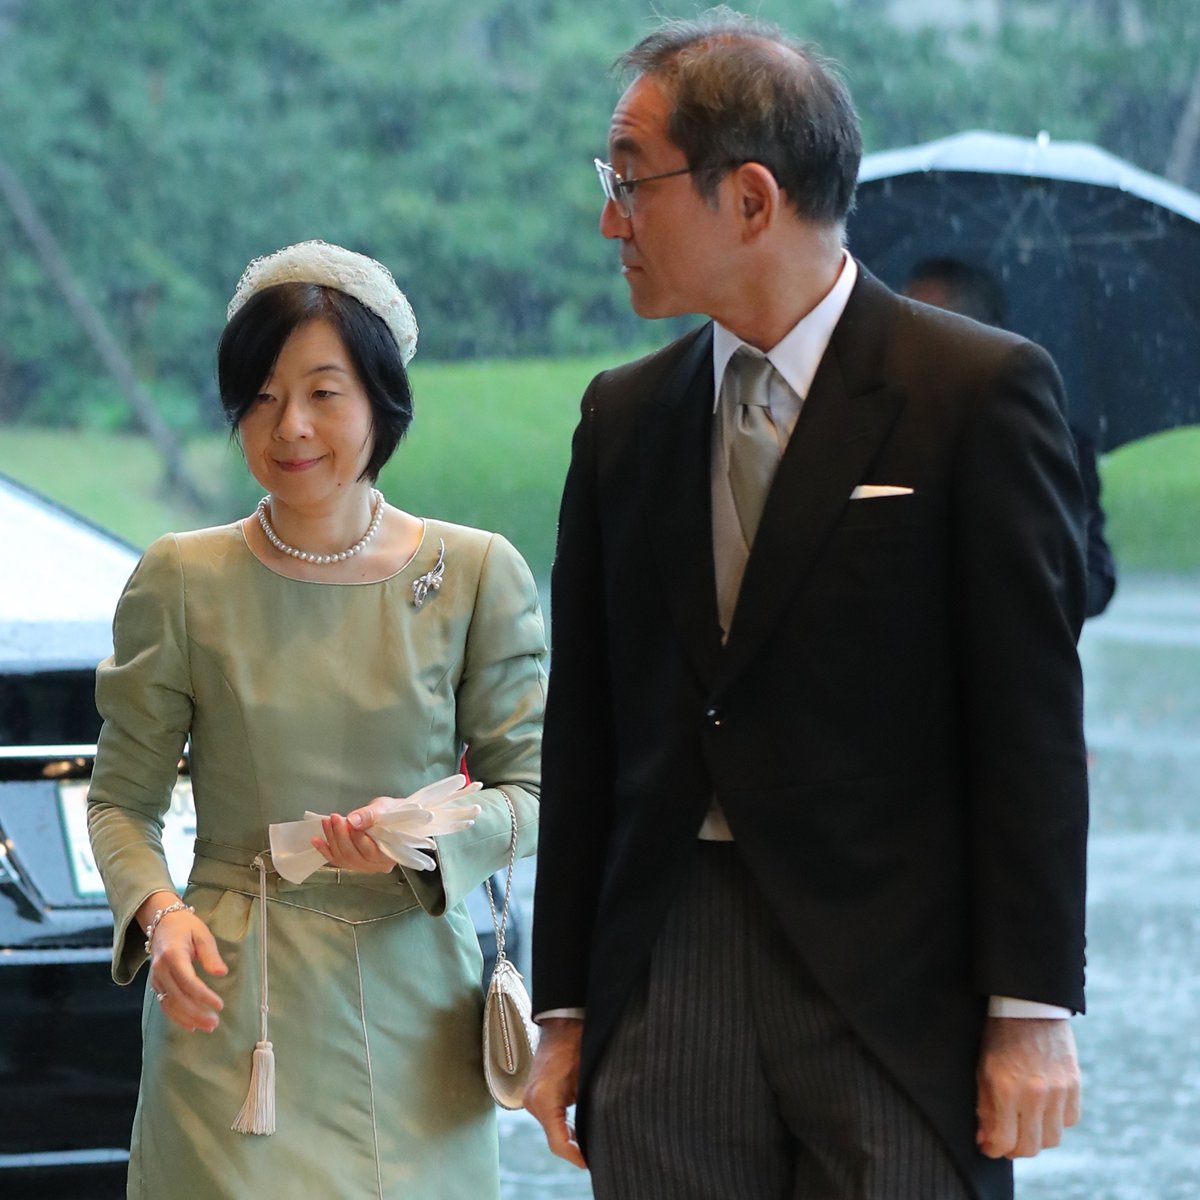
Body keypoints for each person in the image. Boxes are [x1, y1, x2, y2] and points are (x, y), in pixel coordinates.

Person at [525, 11, 1088, 1200]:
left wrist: (1031, 1011)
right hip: (665, 974)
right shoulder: (622, 420)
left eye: (630, 182)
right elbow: (585, 735)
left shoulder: (974, 392)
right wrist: (565, 1007)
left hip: (898, 986)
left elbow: (1030, 728)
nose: (609, 220)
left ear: (749, 199)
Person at [87, 240, 546, 1199]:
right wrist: (161, 914)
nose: (289, 425)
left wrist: (425, 841)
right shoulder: (183, 578)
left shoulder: (475, 573)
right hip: (234, 1007)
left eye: (323, 393)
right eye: (260, 397)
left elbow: (534, 791)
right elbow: (121, 802)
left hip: (420, 1011)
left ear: (382, 400)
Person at [903, 256, 1117, 617]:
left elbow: (1092, 582)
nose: (905, 347)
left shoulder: (1051, 443)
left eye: (925, 329)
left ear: (984, 336)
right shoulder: (884, 431)